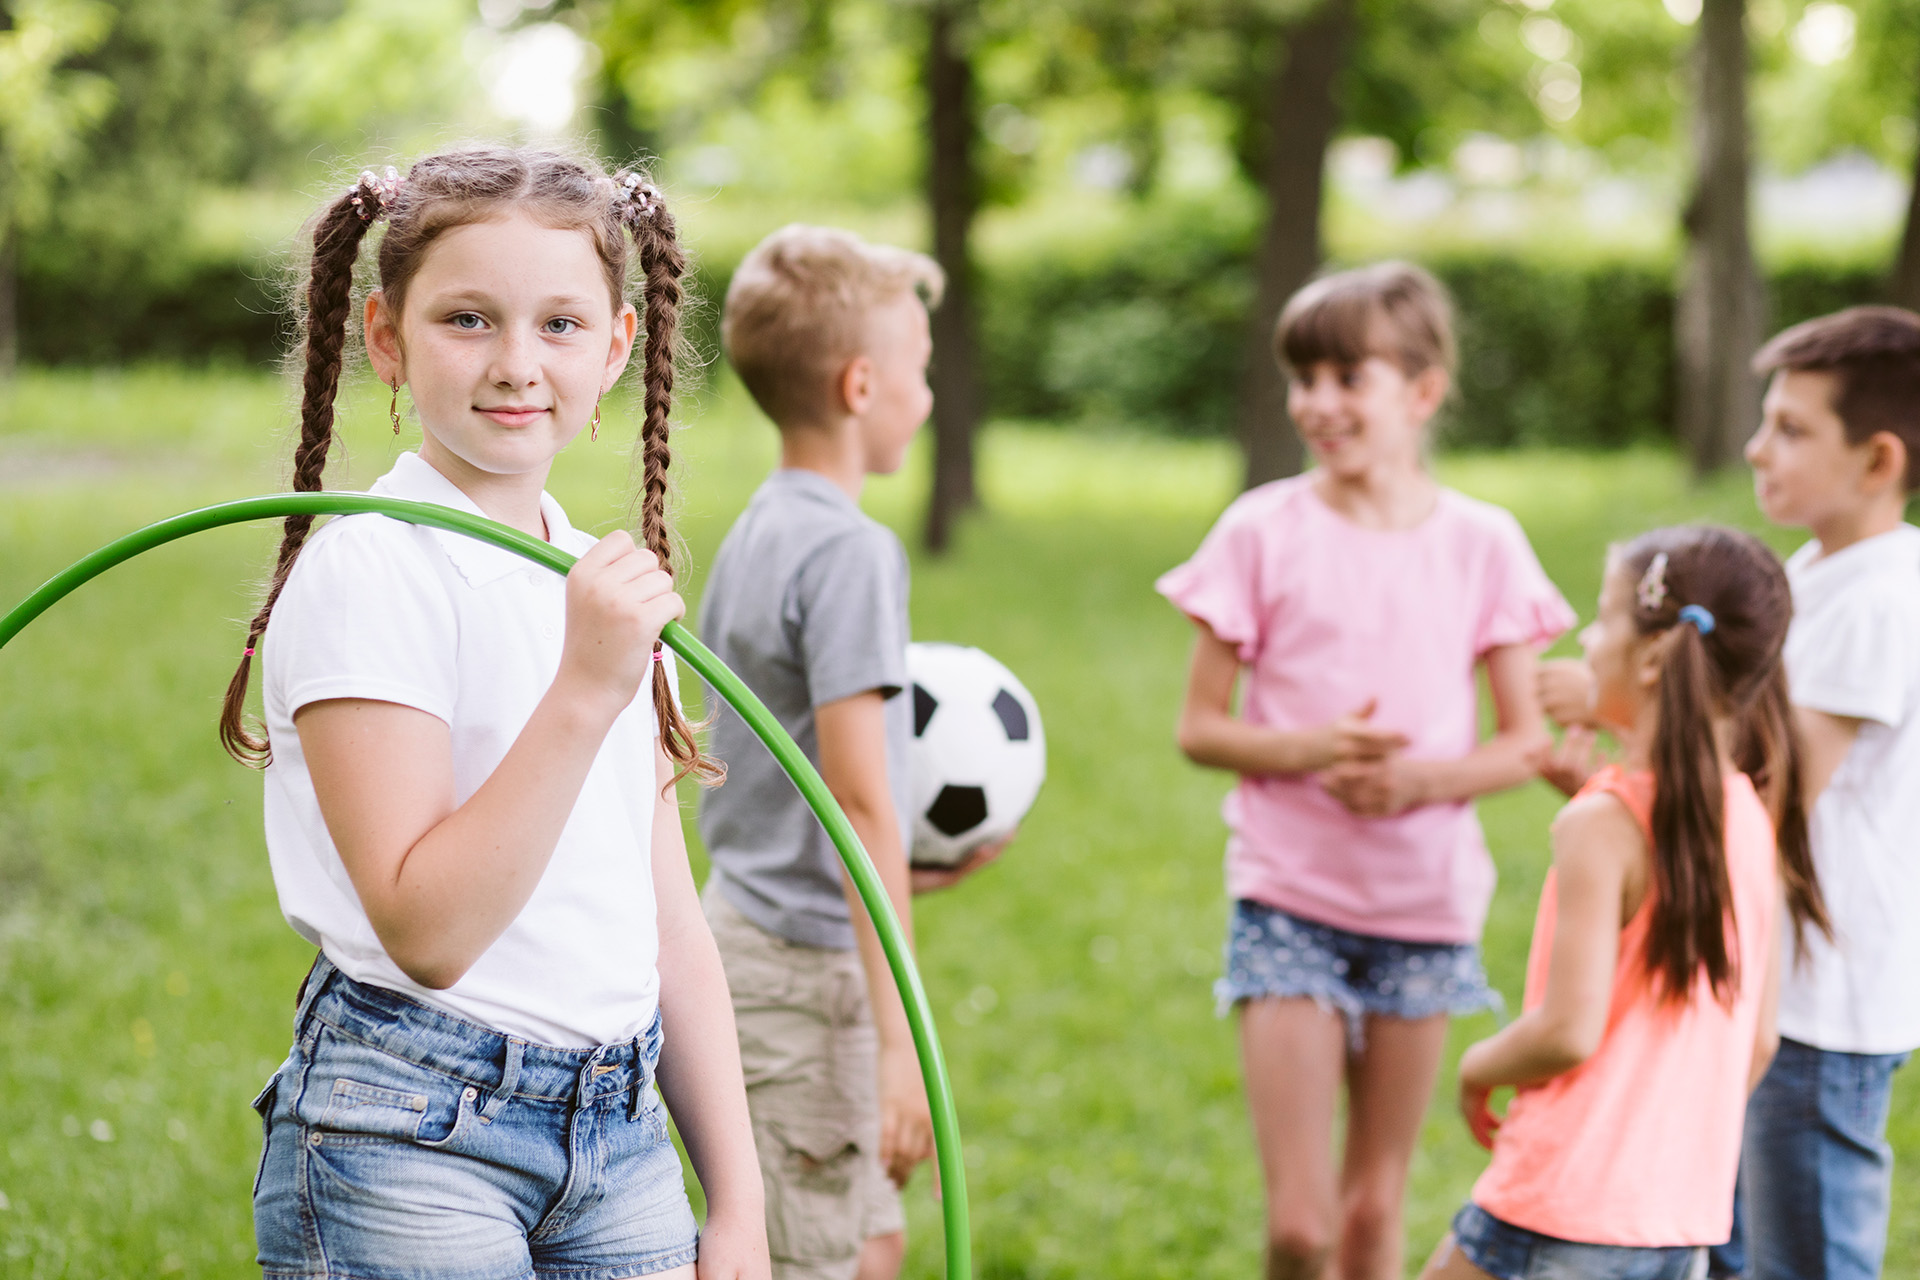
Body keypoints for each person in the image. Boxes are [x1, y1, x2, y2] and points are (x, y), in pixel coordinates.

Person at [230, 147, 768, 1279]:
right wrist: (585, 689)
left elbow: (667, 919)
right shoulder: (371, 572)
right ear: (386, 334)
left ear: (618, 346)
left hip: (620, 1137)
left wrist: (740, 1200)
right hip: (408, 1128)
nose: (518, 363)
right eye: (469, 319)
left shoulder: (602, 584)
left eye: (562, 325)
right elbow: (429, 930)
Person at [1158, 261, 1572, 1280]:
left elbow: (1528, 739)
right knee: (1301, 1225)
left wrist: (1419, 782)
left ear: (1422, 391)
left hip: (1424, 911)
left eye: (1349, 376)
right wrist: (1309, 749)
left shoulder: (1485, 543)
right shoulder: (1260, 528)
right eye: (1305, 378)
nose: (1318, 403)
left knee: (1371, 1216)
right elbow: (1201, 727)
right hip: (1288, 896)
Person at [1537, 309, 1920, 1280]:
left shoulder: (1883, 596)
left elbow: (1775, 789)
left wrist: (1619, 700)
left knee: (1810, 1258)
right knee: (1735, 1248)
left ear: (1879, 459)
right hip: (1765, 978)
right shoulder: (1820, 571)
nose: (1756, 446)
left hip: (1822, 1005)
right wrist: (1614, 782)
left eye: (1792, 428)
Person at [696, 224, 998, 1280]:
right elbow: (862, 802)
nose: (927, 390)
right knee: (807, 1255)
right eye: (919, 368)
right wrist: (900, 1040)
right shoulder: (852, 550)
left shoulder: (760, 525)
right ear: (865, 384)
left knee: (870, 1242)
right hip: (803, 975)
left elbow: (782, 772)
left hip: (753, 923)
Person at [1422, 526, 1829, 1280]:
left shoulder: (1601, 825)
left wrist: (1477, 1066)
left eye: (1604, 617)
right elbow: (1760, 1041)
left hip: (1560, 1198)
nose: (1586, 635)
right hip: (1678, 1218)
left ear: (1650, 659)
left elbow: (1568, 1031)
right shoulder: (1748, 815)